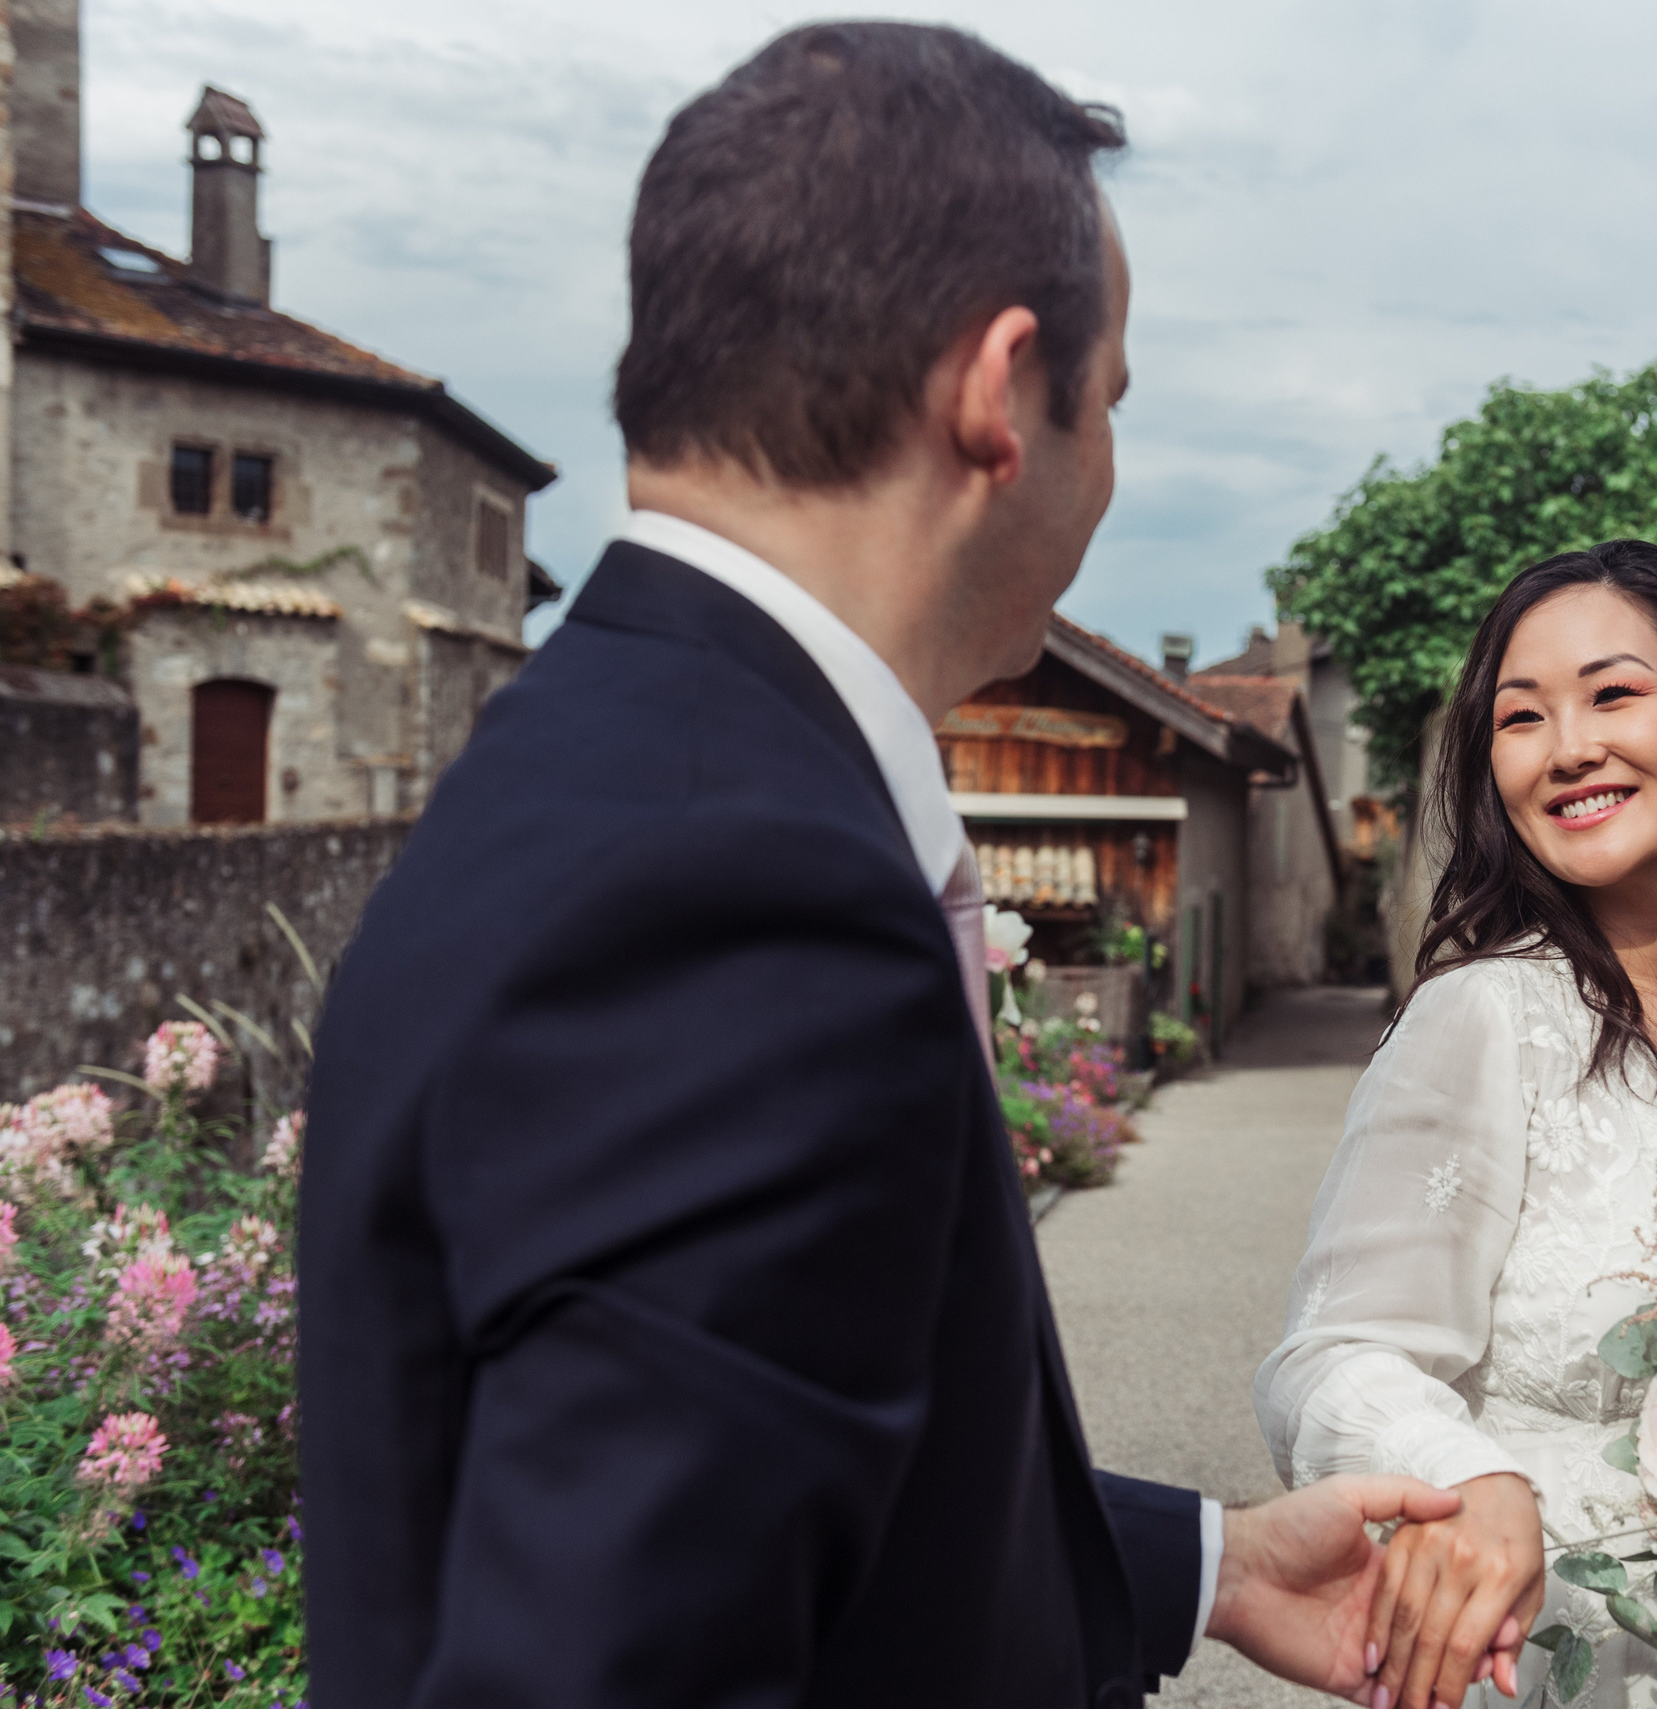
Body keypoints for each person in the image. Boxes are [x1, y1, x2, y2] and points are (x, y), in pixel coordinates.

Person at [298, 23, 1472, 1708]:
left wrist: (1203, 1562)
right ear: (1000, 393)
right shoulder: (738, 896)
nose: (1109, 465)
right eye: (1109, 401)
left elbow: (757, 1482)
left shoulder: (593, 762)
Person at [1255, 541, 1657, 1709]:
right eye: (1521, 717)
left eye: (1612, 694)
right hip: (1559, 1667)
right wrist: (1471, 1475)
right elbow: (1329, 1359)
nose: (1566, 749)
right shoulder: (1486, 1018)